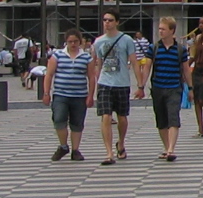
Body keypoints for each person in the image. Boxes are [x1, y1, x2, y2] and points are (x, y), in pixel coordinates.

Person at [136, 16, 187, 162]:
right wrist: (141, 86)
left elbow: (185, 69)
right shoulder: (154, 48)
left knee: (173, 118)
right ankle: (166, 148)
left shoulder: (180, 49)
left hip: (174, 88)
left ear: (172, 30)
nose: (160, 31)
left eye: (163, 29)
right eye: (159, 29)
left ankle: (171, 149)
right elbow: (147, 67)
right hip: (158, 87)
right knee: (161, 120)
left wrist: (190, 88)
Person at [92, 12, 137, 165]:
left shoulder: (127, 40)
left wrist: (140, 84)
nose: (107, 23)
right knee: (105, 116)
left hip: (122, 82)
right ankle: (109, 152)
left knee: (122, 118)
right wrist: (95, 83)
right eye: (104, 20)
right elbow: (97, 63)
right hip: (105, 83)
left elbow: (134, 62)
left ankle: (121, 143)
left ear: (117, 22)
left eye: (110, 20)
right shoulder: (98, 42)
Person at [44, 29, 95, 162]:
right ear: (66, 42)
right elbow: (49, 74)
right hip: (61, 94)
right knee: (59, 119)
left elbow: (91, 77)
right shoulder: (57, 55)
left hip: (79, 95)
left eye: (75, 41)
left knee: (77, 123)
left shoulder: (86, 57)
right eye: (70, 41)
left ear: (80, 41)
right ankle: (63, 145)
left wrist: (91, 95)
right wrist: (46, 92)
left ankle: (75, 150)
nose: (73, 44)